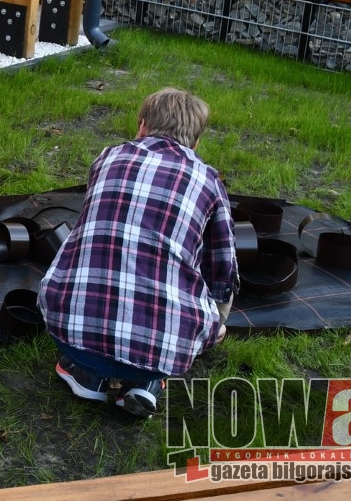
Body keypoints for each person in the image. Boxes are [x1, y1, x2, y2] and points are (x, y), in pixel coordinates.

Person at [37, 87, 239, 418]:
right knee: (189, 304)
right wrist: (217, 321)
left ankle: (87, 373)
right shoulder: (209, 180)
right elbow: (222, 268)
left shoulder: (107, 157)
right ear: (197, 142)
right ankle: (148, 383)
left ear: (142, 125)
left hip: (71, 330)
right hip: (163, 349)